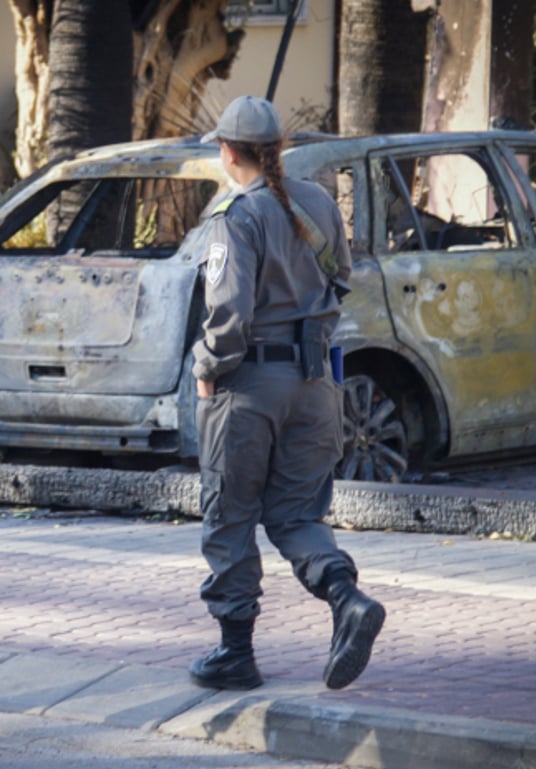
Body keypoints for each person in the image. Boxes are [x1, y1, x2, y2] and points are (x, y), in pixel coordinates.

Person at [188, 96, 385, 691]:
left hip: (250, 386)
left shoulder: (234, 217)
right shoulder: (320, 202)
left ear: (226, 151)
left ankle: (235, 652)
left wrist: (207, 366)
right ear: (278, 149)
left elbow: (229, 313)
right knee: (298, 513)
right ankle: (346, 598)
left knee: (231, 513)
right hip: (316, 381)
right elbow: (343, 277)